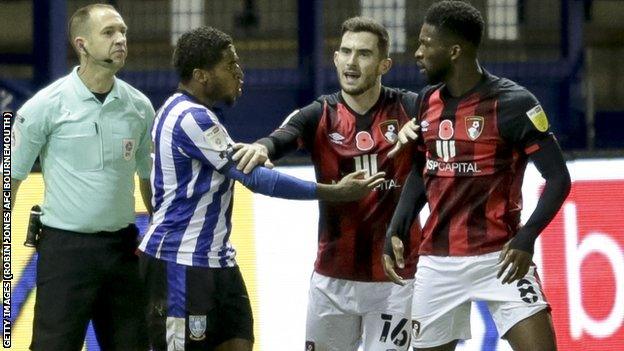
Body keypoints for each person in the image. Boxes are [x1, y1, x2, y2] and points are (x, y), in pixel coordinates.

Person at [137, 26, 384, 351]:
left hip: (218, 262)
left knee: (239, 343)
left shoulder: (194, 115)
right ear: (202, 76)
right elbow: (256, 179)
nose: (240, 72)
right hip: (180, 264)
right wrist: (335, 192)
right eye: (230, 65)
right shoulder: (189, 117)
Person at [384, 1, 571, 350]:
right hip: (437, 264)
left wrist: (527, 237)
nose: (417, 52)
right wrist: (397, 226)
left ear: (455, 50)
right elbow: (422, 170)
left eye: (426, 43)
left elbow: (559, 179)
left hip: (500, 259)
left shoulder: (514, 103)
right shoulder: (426, 101)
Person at [232, 17, 422, 351]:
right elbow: (281, 137)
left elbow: (451, 121)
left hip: (396, 281)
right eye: (345, 52)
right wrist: (261, 147)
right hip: (332, 280)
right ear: (335, 58)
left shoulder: (409, 108)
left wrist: (426, 131)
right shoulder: (318, 114)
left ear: (384, 65)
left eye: (363, 54)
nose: (351, 61)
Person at [10, 4, 153, 350]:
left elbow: (149, 182)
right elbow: (10, 179)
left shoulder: (140, 107)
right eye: (108, 33)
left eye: (123, 32)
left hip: (123, 250)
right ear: (81, 44)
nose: (120, 40)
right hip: (65, 251)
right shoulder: (44, 106)